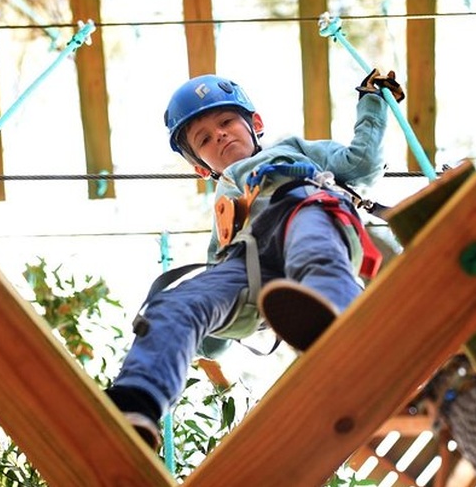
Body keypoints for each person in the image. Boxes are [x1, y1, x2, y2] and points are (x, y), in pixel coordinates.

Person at [106, 71, 404, 449]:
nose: (221, 136)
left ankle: (338, 322)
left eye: (227, 122)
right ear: (203, 167)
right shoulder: (225, 207)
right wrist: (198, 335)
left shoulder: (293, 149)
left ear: (255, 123)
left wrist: (372, 101)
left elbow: (361, 164)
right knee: (176, 303)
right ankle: (136, 405)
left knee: (314, 249)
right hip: (248, 263)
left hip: (304, 209)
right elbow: (216, 292)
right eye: (205, 140)